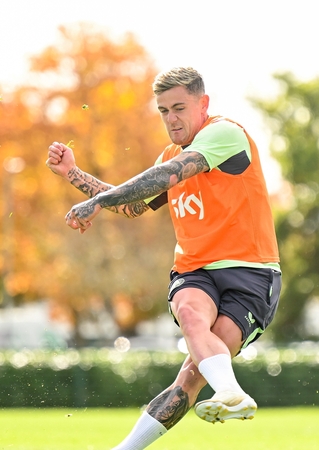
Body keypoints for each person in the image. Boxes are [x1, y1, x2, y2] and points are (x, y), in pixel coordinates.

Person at [46, 67, 281, 449]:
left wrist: (98, 200)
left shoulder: (224, 133)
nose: (171, 119)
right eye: (163, 111)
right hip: (195, 270)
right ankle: (230, 393)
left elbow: (167, 175)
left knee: (191, 377)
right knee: (189, 312)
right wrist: (73, 173)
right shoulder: (170, 154)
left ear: (203, 104)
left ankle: (225, 391)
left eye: (179, 108)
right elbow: (133, 204)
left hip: (251, 273)